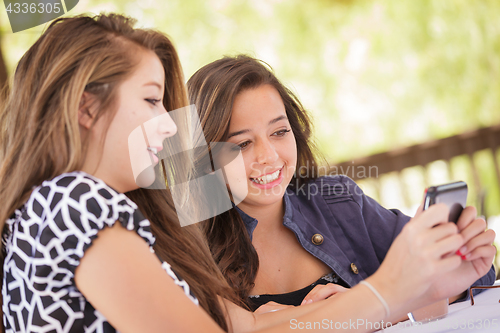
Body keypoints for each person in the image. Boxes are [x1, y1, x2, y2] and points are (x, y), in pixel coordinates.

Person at [0, 14, 494, 333]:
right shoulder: (75, 202)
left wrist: (388, 293)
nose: (167, 127)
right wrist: (389, 291)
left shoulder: (54, 210)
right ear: (87, 108)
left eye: (279, 133)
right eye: (151, 100)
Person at [186, 55, 497, 312]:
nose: (269, 156)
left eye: (279, 132)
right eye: (242, 144)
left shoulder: (336, 199)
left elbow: (466, 279)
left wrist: (459, 262)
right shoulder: (187, 251)